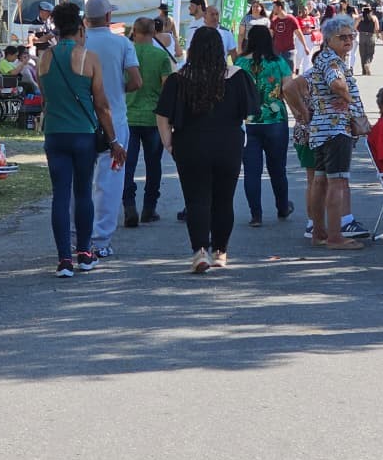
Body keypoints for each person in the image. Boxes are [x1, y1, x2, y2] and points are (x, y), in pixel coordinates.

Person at [155, 27, 257, 273]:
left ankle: (200, 251)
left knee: (196, 199)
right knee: (224, 199)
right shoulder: (237, 76)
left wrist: (168, 142)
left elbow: (162, 115)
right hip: (228, 143)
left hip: (190, 143)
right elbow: (250, 111)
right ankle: (220, 251)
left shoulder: (179, 78)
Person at [37, 2, 124, 278]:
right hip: (83, 134)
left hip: (55, 132)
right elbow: (102, 105)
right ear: (80, 28)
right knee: (83, 192)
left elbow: (46, 97)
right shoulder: (89, 58)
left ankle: (64, 258)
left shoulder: (44, 58)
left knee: (60, 195)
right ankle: (85, 253)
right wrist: (113, 140)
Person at [305, 16, 369, 250]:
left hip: (320, 128)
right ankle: (334, 236)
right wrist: (350, 102)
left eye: (351, 36)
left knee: (320, 181)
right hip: (336, 128)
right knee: (338, 182)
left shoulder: (323, 58)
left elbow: (295, 86)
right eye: (342, 37)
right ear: (329, 39)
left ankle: (319, 232)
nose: (348, 40)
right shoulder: (332, 62)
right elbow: (337, 84)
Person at [82, 0, 140, 246]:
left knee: (81, 179)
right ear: (108, 18)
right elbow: (137, 81)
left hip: (83, 118)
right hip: (115, 118)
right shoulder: (122, 43)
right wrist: (118, 88)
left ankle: (78, 237)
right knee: (110, 180)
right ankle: (101, 239)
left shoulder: (79, 43)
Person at [235, 25, 294, 226]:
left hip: (248, 121)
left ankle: (256, 215)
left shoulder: (240, 63)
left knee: (252, 171)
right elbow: (288, 89)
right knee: (278, 168)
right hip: (275, 120)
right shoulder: (279, 62)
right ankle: (282, 206)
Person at [124, 18, 174, 224]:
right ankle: (149, 207)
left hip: (128, 115)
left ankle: (128, 205)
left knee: (128, 164)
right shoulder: (161, 56)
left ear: (134, 32)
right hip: (154, 118)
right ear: (154, 32)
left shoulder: (125, 53)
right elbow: (167, 88)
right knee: (154, 165)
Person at [269, 0, 308, 68]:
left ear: (280, 8)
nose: (273, 9)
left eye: (274, 7)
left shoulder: (291, 19)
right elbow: (270, 35)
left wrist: (305, 46)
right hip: (276, 51)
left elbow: (299, 33)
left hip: (289, 51)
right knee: (277, 73)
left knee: (289, 73)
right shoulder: (274, 20)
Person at [356, 5, 378, 76]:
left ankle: (364, 71)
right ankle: (367, 64)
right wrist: (375, 34)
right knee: (370, 53)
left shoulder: (360, 17)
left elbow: (354, 26)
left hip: (362, 36)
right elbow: (377, 28)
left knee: (363, 54)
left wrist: (359, 30)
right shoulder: (374, 18)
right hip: (371, 36)